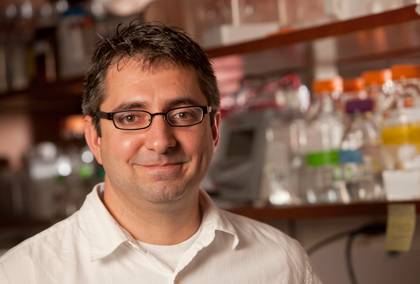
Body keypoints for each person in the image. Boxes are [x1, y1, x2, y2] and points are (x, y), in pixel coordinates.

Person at [0, 22, 321, 283]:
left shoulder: (281, 262)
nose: (160, 141)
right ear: (94, 137)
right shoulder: (25, 274)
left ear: (214, 129)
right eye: (130, 117)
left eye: (182, 114)